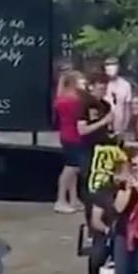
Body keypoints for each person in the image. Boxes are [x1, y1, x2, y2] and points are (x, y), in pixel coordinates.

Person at [53, 71, 89, 214]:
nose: (84, 84)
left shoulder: (63, 98)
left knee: (74, 169)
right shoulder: (72, 100)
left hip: (69, 135)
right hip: (72, 136)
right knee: (70, 168)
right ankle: (61, 200)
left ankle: (73, 199)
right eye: (81, 81)